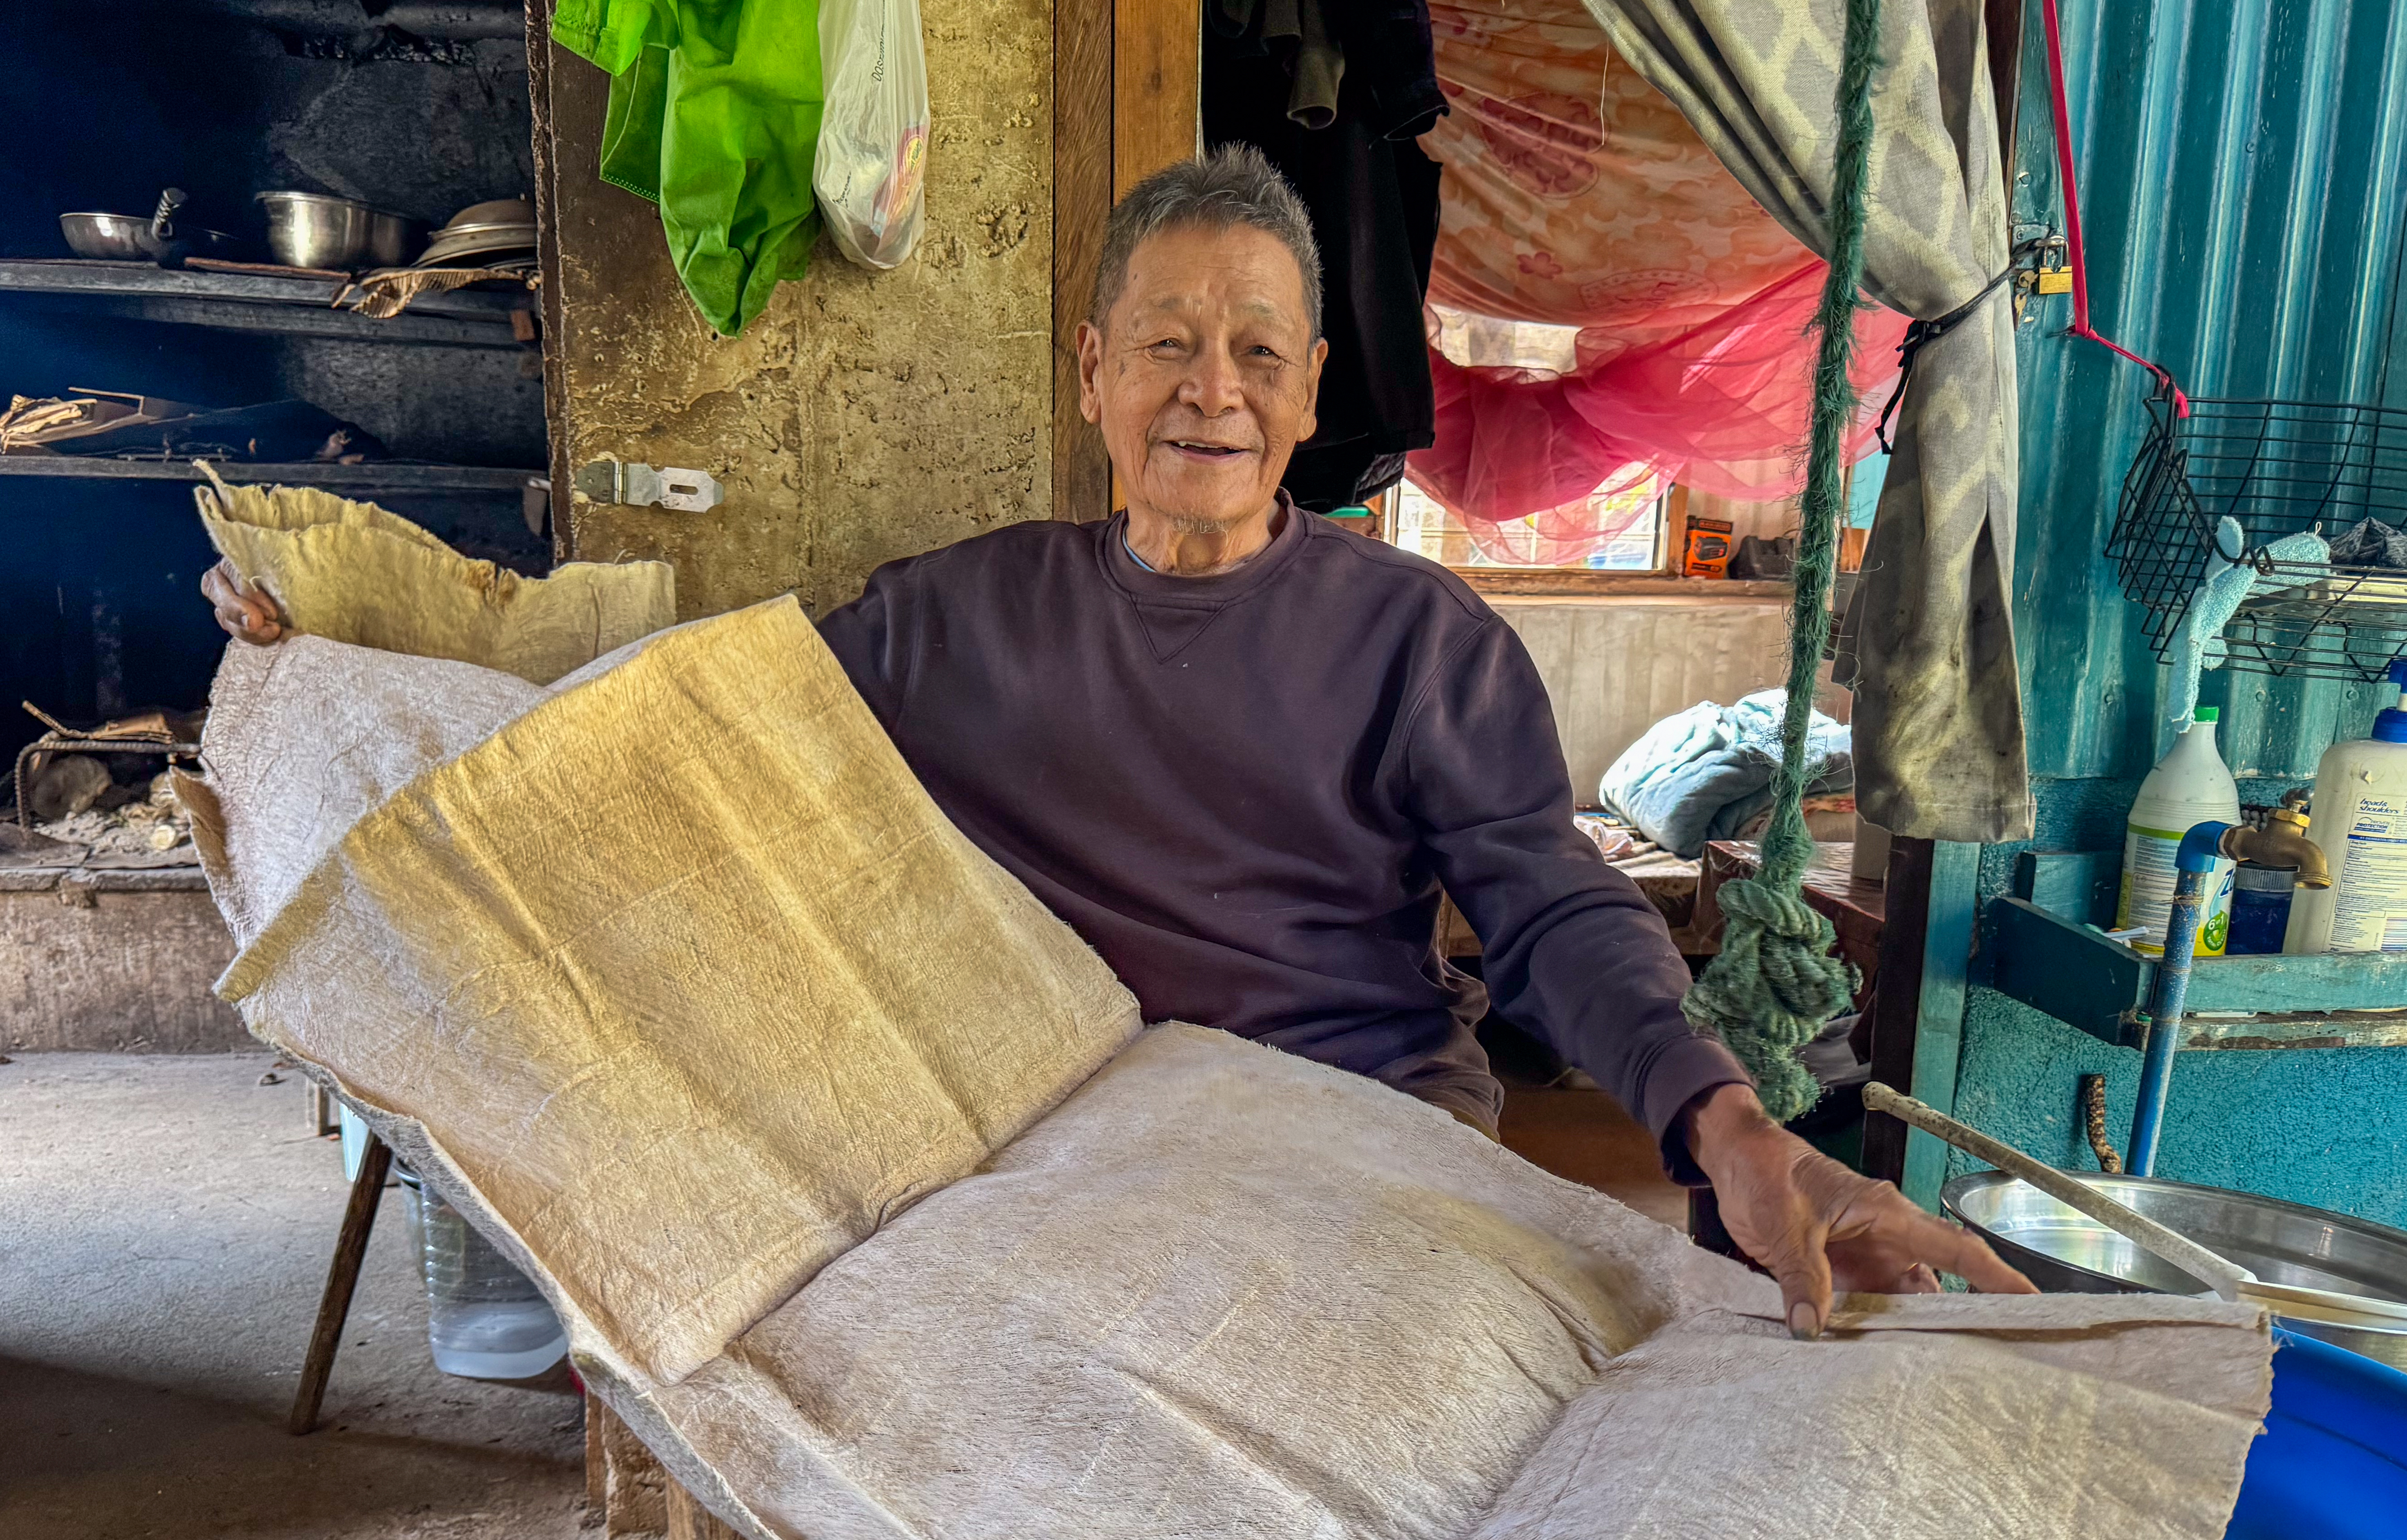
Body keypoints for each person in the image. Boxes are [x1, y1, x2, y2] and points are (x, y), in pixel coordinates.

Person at [206, 146, 2032, 1339]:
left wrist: (1723, 1121)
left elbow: (1553, 907)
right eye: (1166, 343)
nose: (1209, 388)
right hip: (1065, 1145)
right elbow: (659, 708)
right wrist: (346, 635)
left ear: (1311, 394)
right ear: (1092, 373)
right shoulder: (953, 619)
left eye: (1257, 351)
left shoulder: (1422, 643)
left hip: (1360, 1137)